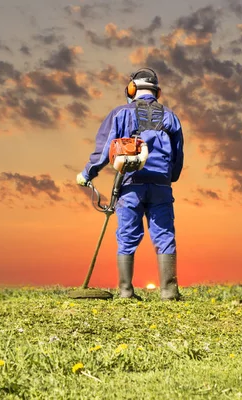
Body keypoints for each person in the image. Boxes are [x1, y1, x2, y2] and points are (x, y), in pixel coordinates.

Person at [76, 67, 185, 300]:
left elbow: (104, 150)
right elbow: (178, 157)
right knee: (164, 234)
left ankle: (125, 291)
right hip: (161, 186)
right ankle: (169, 292)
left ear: (132, 89)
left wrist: (87, 174)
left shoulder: (120, 114)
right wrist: (169, 177)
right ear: (157, 91)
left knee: (127, 235)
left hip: (130, 184)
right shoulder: (171, 117)